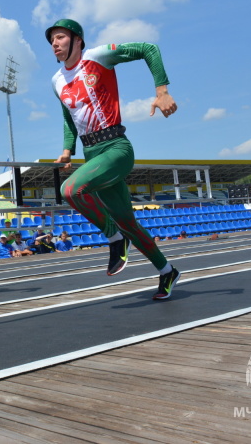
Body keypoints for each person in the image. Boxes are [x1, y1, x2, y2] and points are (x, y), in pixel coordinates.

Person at [46, 18, 180, 300]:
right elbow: (68, 117)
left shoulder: (97, 56)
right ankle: (166, 270)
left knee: (69, 190)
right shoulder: (57, 80)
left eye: (59, 37)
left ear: (77, 39)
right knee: (128, 222)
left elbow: (148, 48)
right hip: (90, 153)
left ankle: (114, 238)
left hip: (116, 148)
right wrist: (68, 149)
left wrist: (162, 91)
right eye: (51, 40)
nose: (54, 44)